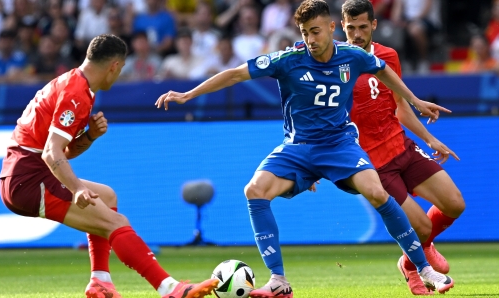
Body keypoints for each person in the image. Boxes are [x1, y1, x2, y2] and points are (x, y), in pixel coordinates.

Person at [155, 1, 455, 297]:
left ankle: (422, 268)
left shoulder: (352, 56)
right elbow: (234, 73)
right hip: (299, 149)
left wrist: (415, 101)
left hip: (340, 145)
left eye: (315, 31)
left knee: (377, 192)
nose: (310, 40)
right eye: (304, 32)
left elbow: (383, 69)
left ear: (331, 28)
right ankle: (277, 280)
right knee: (254, 191)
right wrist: (188, 94)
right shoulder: (287, 59)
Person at [0, 34, 218, 298]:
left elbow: (64, 152)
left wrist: (89, 136)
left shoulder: (75, 84)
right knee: (116, 222)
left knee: (106, 196)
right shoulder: (76, 93)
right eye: (121, 68)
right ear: (114, 65)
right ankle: (170, 288)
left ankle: (100, 282)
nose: (119, 74)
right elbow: (50, 153)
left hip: (24, 173)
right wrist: (77, 187)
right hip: (29, 178)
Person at [340, 0, 465, 295]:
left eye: (362, 27)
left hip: (402, 148)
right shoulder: (335, 63)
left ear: (373, 25)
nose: (356, 34)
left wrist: (431, 139)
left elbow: (400, 107)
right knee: (420, 227)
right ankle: (413, 267)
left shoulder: (388, 56)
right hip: (373, 164)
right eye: (350, 28)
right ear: (341, 27)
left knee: (455, 203)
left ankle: (413, 257)